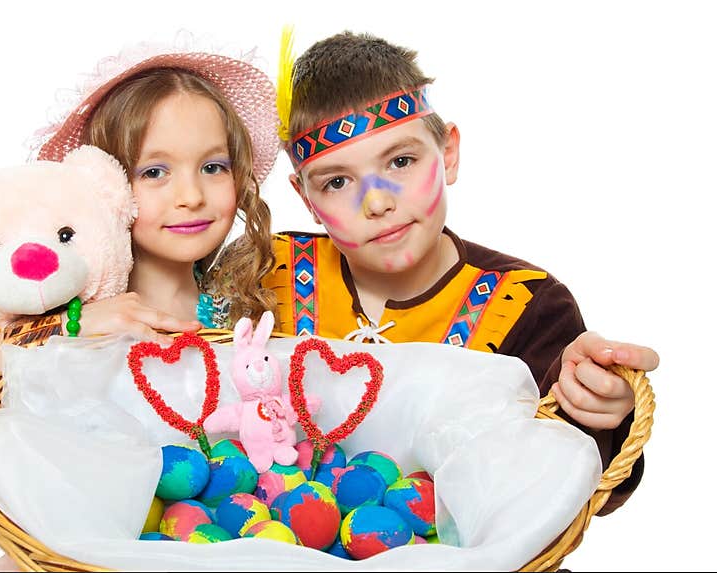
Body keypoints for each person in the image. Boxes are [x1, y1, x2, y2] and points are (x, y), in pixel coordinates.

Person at [258, 30, 659, 514]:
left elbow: (578, 497)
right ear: (306, 199)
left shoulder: (527, 304)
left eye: (401, 161)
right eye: (338, 181)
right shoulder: (266, 273)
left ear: (448, 153)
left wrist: (596, 412)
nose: (379, 201)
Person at [0, 41, 281, 429]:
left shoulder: (241, 309)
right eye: (154, 172)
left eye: (213, 167)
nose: (191, 196)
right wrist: (71, 327)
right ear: (108, 185)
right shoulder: (52, 301)